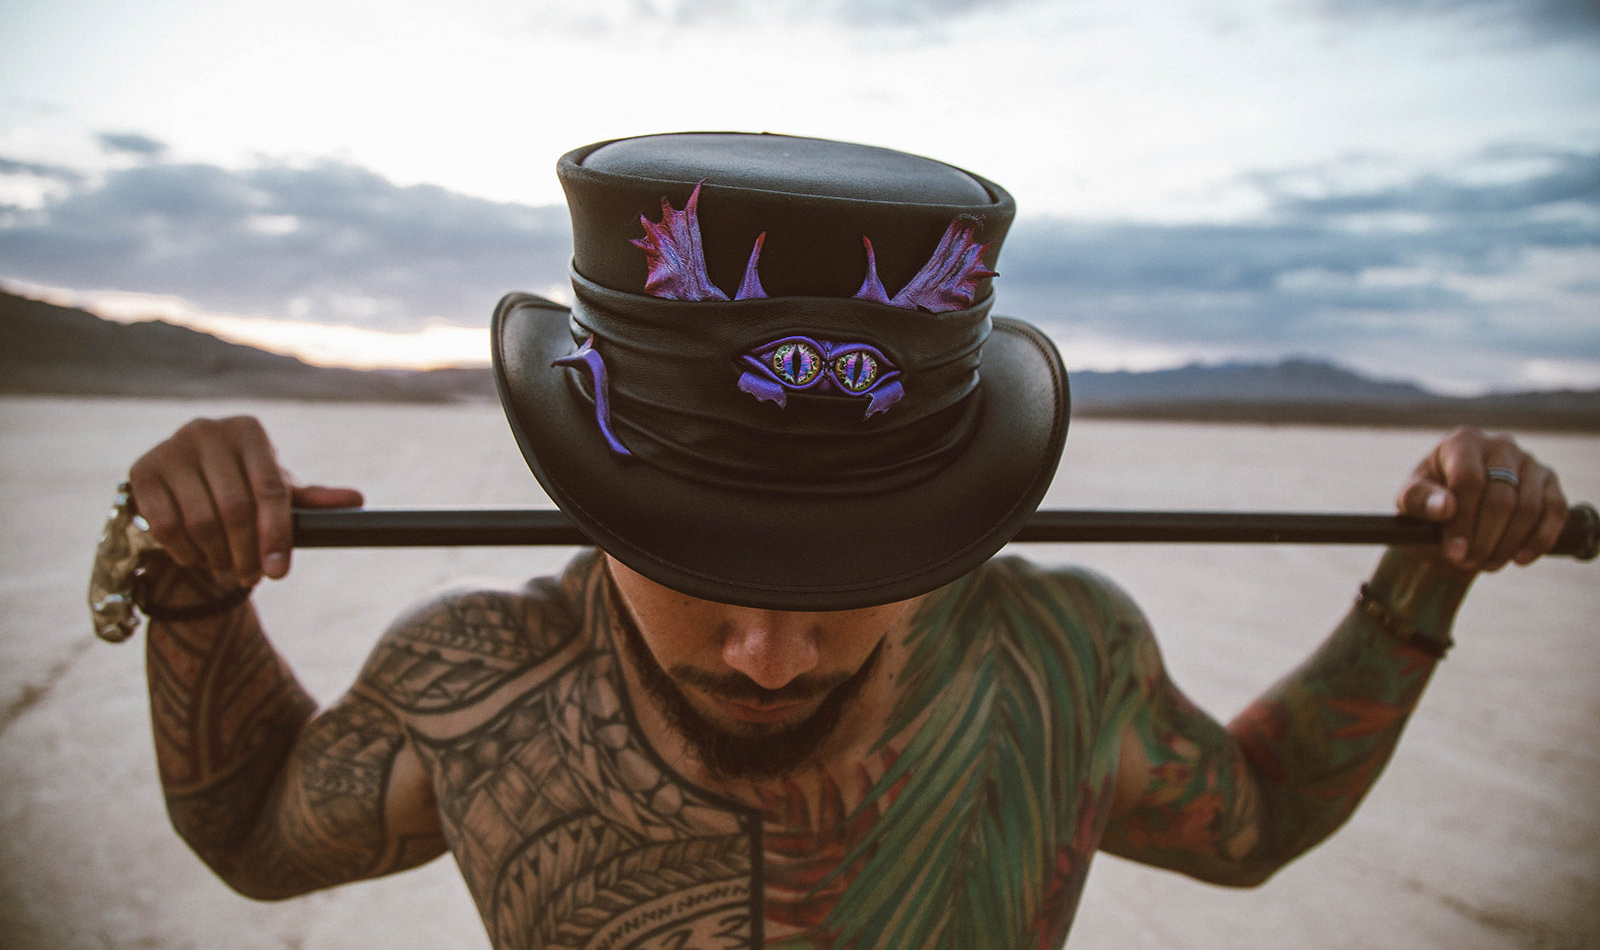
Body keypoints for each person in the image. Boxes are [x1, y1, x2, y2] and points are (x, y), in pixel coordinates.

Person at [111, 134, 1569, 949]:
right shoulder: (481, 685)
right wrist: (192, 593)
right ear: (594, 504)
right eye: (707, 568)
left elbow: (1248, 823)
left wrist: (1426, 571)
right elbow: (254, 834)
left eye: (847, 578)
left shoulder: (1059, 658)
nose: (770, 650)